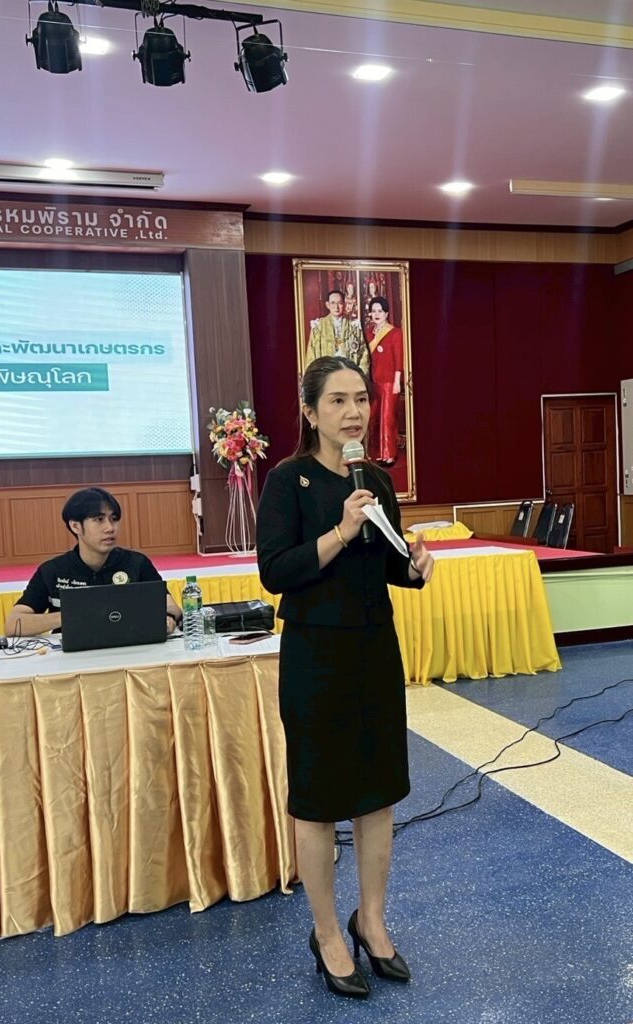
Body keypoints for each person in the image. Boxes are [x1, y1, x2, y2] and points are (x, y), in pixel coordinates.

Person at [256, 356, 433, 1000]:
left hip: (373, 648)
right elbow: (276, 571)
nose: (354, 411)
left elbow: (385, 563)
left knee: (377, 791)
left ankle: (372, 920)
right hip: (316, 654)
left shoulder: (375, 479)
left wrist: (412, 566)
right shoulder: (288, 480)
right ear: (310, 412)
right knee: (319, 797)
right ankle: (328, 932)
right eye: (337, 400)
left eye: (361, 398)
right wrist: (341, 529)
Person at [5, 487, 182, 637]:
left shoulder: (137, 563)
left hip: (129, 652)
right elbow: (14, 625)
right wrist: (73, 615)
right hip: (72, 659)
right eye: (99, 520)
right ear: (76, 526)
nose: (110, 528)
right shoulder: (53, 571)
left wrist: (168, 618)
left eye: (114, 519)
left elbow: (172, 608)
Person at [366, 296, 404, 466]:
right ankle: (377, 453)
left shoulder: (395, 333)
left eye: (380, 311)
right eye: (374, 311)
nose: (376, 314)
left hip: (389, 382)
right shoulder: (369, 333)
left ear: (386, 313)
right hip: (374, 382)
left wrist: (397, 381)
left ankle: (389, 455)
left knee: (388, 419)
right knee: (373, 418)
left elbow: (399, 358)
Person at [305, 290, 370, 374]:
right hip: (326, 375)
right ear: (327, 305)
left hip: (349, 374)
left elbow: (364, 354)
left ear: (344, 304)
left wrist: (360, 376)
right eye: (333, 303)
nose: (336, 307)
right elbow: (311, 357)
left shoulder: (354, 325)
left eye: (340, 303)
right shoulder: (318, 327)